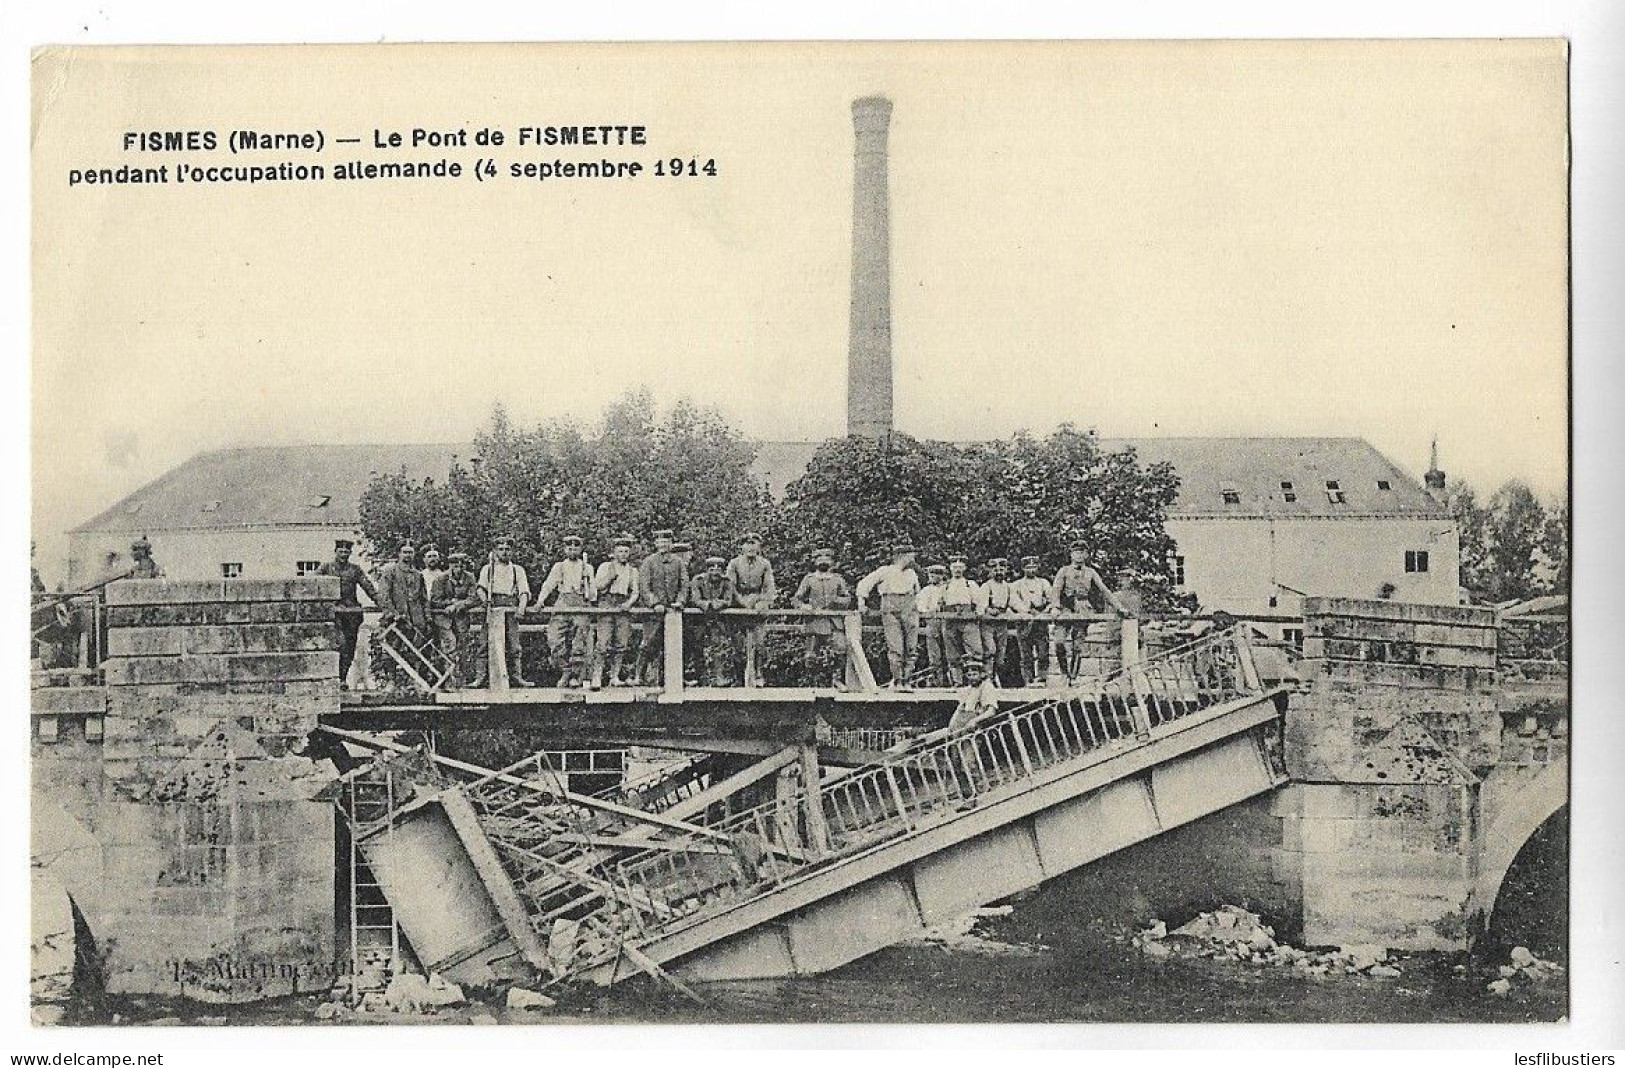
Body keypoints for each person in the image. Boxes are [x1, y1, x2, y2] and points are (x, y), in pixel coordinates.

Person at [1051, 541, 1126, 681]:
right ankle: (1064, 672)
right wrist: (1055, 606)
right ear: (1071, 554)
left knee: (1077, 646)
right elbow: (1055, 590)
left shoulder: (1091, 572)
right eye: (1076, 552)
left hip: (1083, 607)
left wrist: (1119, 606)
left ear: (1086, 555)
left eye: (1082, 552)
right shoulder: (1064, 571)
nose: (1079, 555)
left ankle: (1072, 677)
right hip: (1065, 608)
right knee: (1059, 641)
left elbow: (1104, 590)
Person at [856, 543, 921, 690]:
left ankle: (907, 681)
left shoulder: (912, 573)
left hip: (909, 609)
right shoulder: (885, 571)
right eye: (911, 556)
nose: (913, 559)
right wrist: (861, 602)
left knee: (911, 647)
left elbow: (918, 593)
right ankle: (898, 681)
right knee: (896, 647)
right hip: (890, 609)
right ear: (901, 557)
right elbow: (864, 584)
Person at [535, 534, 595, 687]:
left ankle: (575, 675)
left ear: (581, 549)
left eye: (576, 547)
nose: (573, 550)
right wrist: (541, 600)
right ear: (564, 549)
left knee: (580, 640)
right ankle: (565, 670)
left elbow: (593, 596)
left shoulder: (587, 567)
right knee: (554, 638)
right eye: (569, 547)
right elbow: (549, 585)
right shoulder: (559, 566)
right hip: (562, 603)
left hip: (581, 603)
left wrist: (588, 582)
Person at [791, 547, 855, 689]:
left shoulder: (837, 579)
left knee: (841, 649)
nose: (823, 561)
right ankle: (812, 683)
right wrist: (804, 606)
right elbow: (796, 599)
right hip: (814, 622)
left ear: (832, 562)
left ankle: (837, 680)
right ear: (815, 562)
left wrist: (835, 602)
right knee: (810, 656)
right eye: (820, 559)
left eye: (827, 559)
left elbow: (847, 599)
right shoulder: (809, 579)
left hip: (833, 622)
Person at [318, 539, 379, 688]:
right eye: (341, 552)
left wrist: (382, 602)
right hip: (335, 614)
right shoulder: (326, 568)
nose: (344, 554)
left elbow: (368, 587)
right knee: (340, 643)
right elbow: (312, 582)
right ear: (336, 552)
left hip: (352, 614)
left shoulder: (355, 569)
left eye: (346, 552)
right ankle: (334, 677)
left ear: (350, 553)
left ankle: (343, 679)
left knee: (350, 648)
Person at [636, 529, 690, 686]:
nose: (663, 545)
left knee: (672, 645)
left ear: (670, 543)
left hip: (673, 611)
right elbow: (644, 586)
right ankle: (639, 675)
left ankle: (670, 678)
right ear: (655, 544)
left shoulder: (678, 562)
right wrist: (654, 603)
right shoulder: (649, 562)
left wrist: (680, 601)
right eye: (660, 542)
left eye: (666, 542)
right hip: (654, 612)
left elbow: (684, 584)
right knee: (648, 643)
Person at [478, 536, 534, 687]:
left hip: (510, 606)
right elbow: (480, 589)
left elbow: (524, 591)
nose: (504, 552)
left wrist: (522, 606)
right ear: (495, 551)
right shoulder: (488, 569)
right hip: (492, 606)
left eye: (507, 549)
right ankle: (480, 677)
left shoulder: (517, 570)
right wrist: (486, 601)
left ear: (512, 551)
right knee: (485, 643)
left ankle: (516, 676)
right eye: (501, 549)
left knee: (514, 645)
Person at [726, 532, 776, 688]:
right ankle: (739, 677)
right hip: (739, 607)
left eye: (754, 544)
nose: (751, 547)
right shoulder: (734, 564)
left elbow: (769, 587)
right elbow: (730, 587)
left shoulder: (764, 564)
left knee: (759, 643)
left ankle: (759, 673)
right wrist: (741, 602)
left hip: (757, 605)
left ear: (759, 546)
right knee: (738, 645)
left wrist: (762, 601)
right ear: (742, 546)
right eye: (748, 544)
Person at [591, 536, 641, 689]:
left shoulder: (632, 570)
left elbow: (635, 592)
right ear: (614, 552)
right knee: (603, 642)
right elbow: (597, 586)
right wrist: (609, 579)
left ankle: (615, 676)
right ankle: (597, 676)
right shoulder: (605, 567)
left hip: (623, 604)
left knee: (621, 643)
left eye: (626, 551)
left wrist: (628, 603)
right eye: (620, 551)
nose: (623, 554)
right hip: (607, 602)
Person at [939, 554, 987, 686]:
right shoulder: (945, 586)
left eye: (960, 567)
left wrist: (978, 612)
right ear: (950, 568)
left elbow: (980, 601)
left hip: (968, 618)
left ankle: (976, 680)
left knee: (974, 650)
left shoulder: (970, 584)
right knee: (952, 652)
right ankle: (957, 682)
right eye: (955, 567)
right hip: (950, 619)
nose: (957, 570)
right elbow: (938, 603)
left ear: (965, 568)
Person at [688, 555, 734, 686]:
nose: (715, 572)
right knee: (697, 647)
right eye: (712, 569)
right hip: (699, 619)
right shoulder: (698, 580)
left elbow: (728, 600)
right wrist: (709, 605)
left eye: (718, 569)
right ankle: (700, 677)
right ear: (707, 570)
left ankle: (719, 677)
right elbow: (695, 599)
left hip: (717, 619)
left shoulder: (726, 582)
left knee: (718, 647)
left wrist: (718, 604)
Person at [1012, 555, 1056, 686]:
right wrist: (1025, 611)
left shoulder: (1044, 583)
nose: (1031, 570)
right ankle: (1028, 679)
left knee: (1043, 652)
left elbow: (1051, 600)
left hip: (1040, 621)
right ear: (1023, 569)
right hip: (1024, 622)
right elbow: (1014, 602)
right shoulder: (1017, 585)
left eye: (1034, 567)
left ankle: (1042, 678)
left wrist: (1044, 611)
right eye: (1028, 567)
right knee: (1026, 654)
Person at [442, 551, 484, 687]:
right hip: (445, 619)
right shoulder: (441, 579)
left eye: (460, 566)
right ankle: (448, 680)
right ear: (450, 566)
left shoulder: (469, 578)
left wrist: (459, 604)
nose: (458, 569)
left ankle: (462, 681)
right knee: (448, 647)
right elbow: (435, 600)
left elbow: (474, 597)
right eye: (454, 566)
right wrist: (449, 603)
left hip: (461, 618)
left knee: (462, 648)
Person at [420, 548, 459, 688]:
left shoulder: (445, 576)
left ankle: (445, 680)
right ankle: (426, 680)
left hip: (442, 616)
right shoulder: (420, 575)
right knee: (426, 647)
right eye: (429, 556)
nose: (432, 559)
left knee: (445, 647)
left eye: (435, 556)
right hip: (425, 616)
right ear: (424, 559)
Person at [980, 558, 1019, 686]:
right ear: (991, 571)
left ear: (1006, 571)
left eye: (1001, 569)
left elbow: (1014, 603)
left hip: (1002, 623)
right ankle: (987, 679)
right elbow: (982, 605)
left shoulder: (1008, 587)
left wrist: (1024, 612)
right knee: (990, 650)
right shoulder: (986, 586)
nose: (999, 572)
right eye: (995, 570)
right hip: (988, 623)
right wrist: (989, 609)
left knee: (1001, 654)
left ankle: (996, 680)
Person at [914, 563, 949, 686]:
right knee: (934, 654)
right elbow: (920, 607)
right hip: (932, 623)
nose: (935, 576)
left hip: (948, 622)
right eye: (932, 574)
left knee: (950, 652)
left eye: (938, 574)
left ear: (943, 575)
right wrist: (930, 612)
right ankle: (937, 681)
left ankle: (952, 681)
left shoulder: (948, 587)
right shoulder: (926, 591)